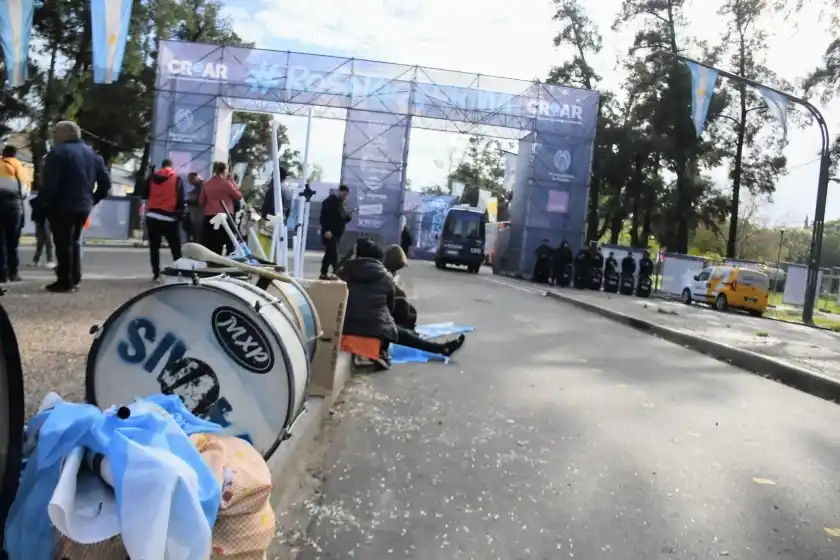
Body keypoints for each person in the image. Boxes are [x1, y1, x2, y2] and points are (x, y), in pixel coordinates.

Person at [339, 238, 464, 370]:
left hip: (346, 327)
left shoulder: (343, 273)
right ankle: (439, 348)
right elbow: (390, 308)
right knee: (395, 329)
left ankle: (379, 351)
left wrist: (347, 258)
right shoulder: (386, 277)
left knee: (393, 325)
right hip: (376, 329)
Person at [40, 121, 111, 292]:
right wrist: (92, 199)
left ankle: (65, 281)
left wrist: (45, 203)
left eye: (56, 132)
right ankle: (74, 277)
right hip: (83, 205)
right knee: (75, 240)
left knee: (63, 243)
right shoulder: (93, 155)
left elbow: (50, 183)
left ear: (66, 133)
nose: (54, 135)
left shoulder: (57, 153)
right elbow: (105, 183)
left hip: (62, 204)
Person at [140, 159, 185, 282]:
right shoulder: (177, 178)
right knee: (175, 248)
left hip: (153, 216)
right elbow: (180, 199)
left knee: (154, 248)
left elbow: (144, 195)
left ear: (162, 166)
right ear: (171, 166)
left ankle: (156, 274)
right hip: (170, 217)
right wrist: (180, 214)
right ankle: (179, 272)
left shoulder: (152, 177)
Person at [199, 161, 243, 256]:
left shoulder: (207, 184)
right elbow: (238, 196)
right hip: (225, 216)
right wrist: (233, 182)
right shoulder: (227, 184)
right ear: (224, 170)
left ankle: (212, 265)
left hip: (210, 217)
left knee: (212, 244)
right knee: (230, 243)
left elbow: (201, 201)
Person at [0, 145, 26, 283]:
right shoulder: (20, 167)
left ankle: (1, 274)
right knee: (13, 242)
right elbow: (25, 192)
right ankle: (14, 273)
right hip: (15, 205)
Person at [319, 184, 351, 280]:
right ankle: (336, 272)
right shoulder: (329, 202)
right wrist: (327, 230)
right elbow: (324, 218)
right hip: (329, 233)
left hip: (336, 233)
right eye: (344, 194)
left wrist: (348, 215)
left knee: (329, 254)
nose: (345, 197)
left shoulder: (340, 204)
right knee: (333, 254)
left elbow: (343, 219)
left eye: (346, 195)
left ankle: (323, 273)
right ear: (339, 192)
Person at [382, 244, 417, 330]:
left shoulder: (380, 271)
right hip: (379, 318)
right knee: (405, 306)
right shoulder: (383, 275)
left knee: (411, 311)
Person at [28, 185, 54, 268]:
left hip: (42, 217)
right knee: (44, 239)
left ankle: (43, 259)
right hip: (44, 217)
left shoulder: (45, 190)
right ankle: (46, 259)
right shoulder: (49, 191)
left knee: (44, 239)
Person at [184, 172, 204, 242]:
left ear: (196, 177)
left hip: (199, 213)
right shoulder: (199, 186)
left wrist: (188, 201)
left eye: (191, 180)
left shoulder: (203, 185)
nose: (190, 183)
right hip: (197, 213)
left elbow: (200, 199)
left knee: (197, 232)